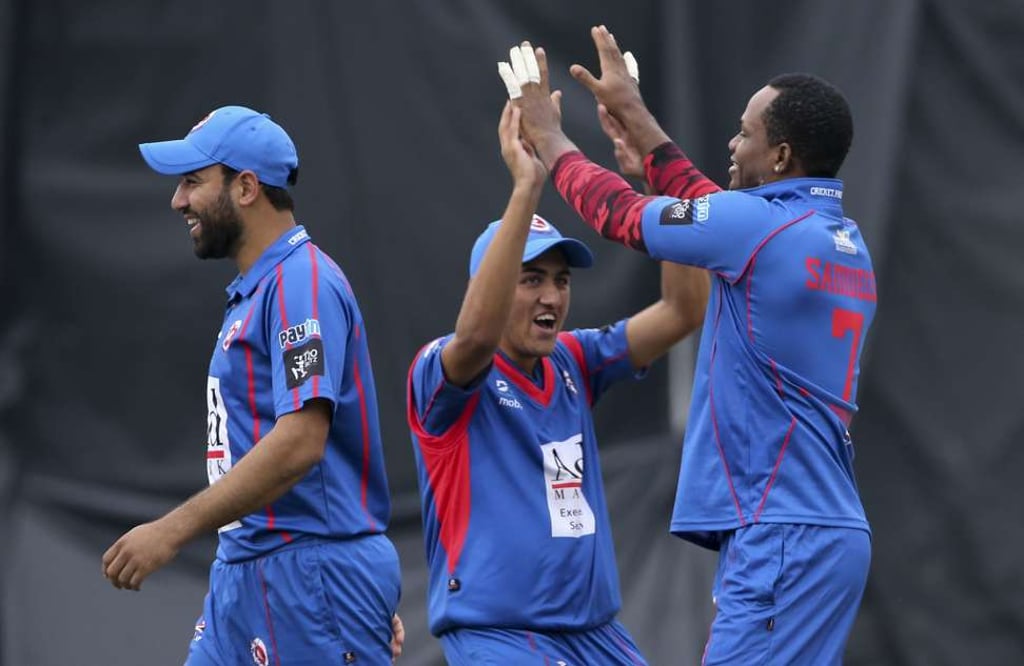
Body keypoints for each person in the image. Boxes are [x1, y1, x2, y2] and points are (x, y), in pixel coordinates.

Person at [505, 29, 877, 665]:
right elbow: (707, 206)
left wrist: (550, 138)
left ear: (781, 156)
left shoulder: (758, 228)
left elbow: (619, 216)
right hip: (829, 529)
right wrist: (635, 115)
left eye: (744, 133)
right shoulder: (839, 238)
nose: (732, 144)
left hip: (780, 530)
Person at [405, 77, 709, 662]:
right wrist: (527, 186)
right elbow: (475, 337)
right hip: (501, 636)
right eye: (530, 279)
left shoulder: (574, 359)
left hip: (596, 634)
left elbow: (682, 310)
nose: (551, 296)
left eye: (561, 280)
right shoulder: (442, 371)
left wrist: (656, 184)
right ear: (491, 286)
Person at [101, 105, 403, 665]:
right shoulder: (259, 289)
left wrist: (172, 530)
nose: (178, 201)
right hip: (248, 570)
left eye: (193, 181)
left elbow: (302, 440)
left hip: (308, 573)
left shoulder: (300, 280)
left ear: (245, 187)